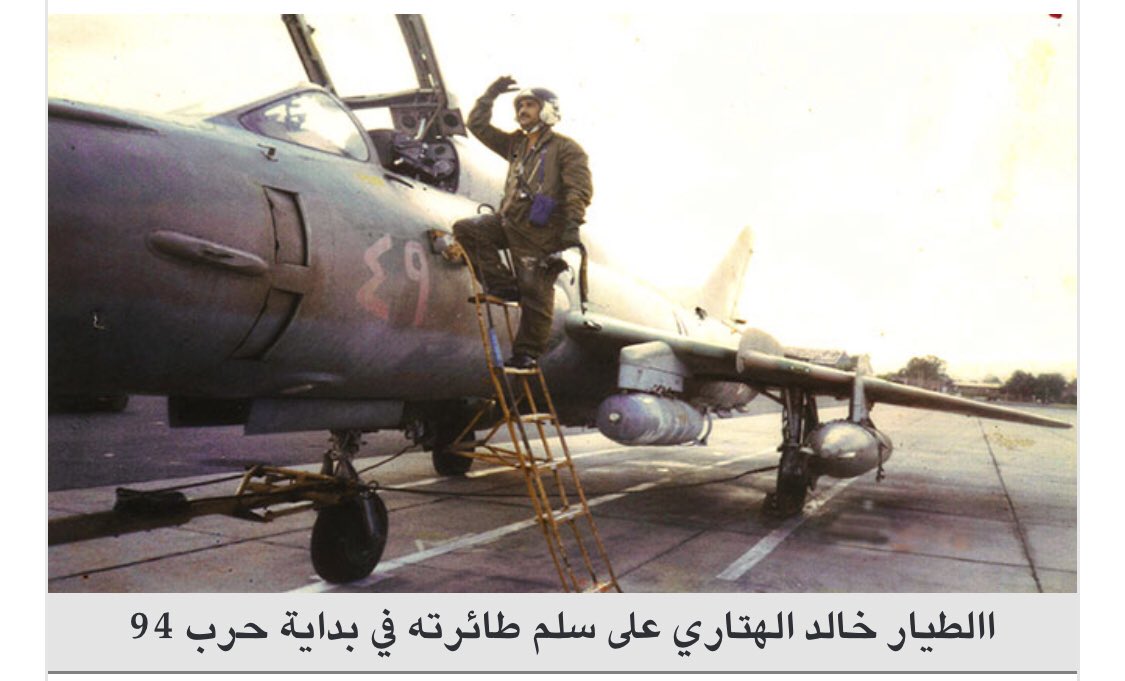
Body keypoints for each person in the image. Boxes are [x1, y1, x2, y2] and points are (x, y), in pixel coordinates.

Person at [453, 75, 593, 370]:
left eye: (530, 105)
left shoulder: (566, 149)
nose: (523, 111)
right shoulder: (515, 144)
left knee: (535, 293)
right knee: (468, 229)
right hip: (509, 221)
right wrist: (490, 94)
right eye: (520, 106)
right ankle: (502, 287)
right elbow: (477, 126)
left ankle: (527, 354)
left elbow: (578, 189)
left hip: (540, 231)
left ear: (547, 110)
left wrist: (571, 225)